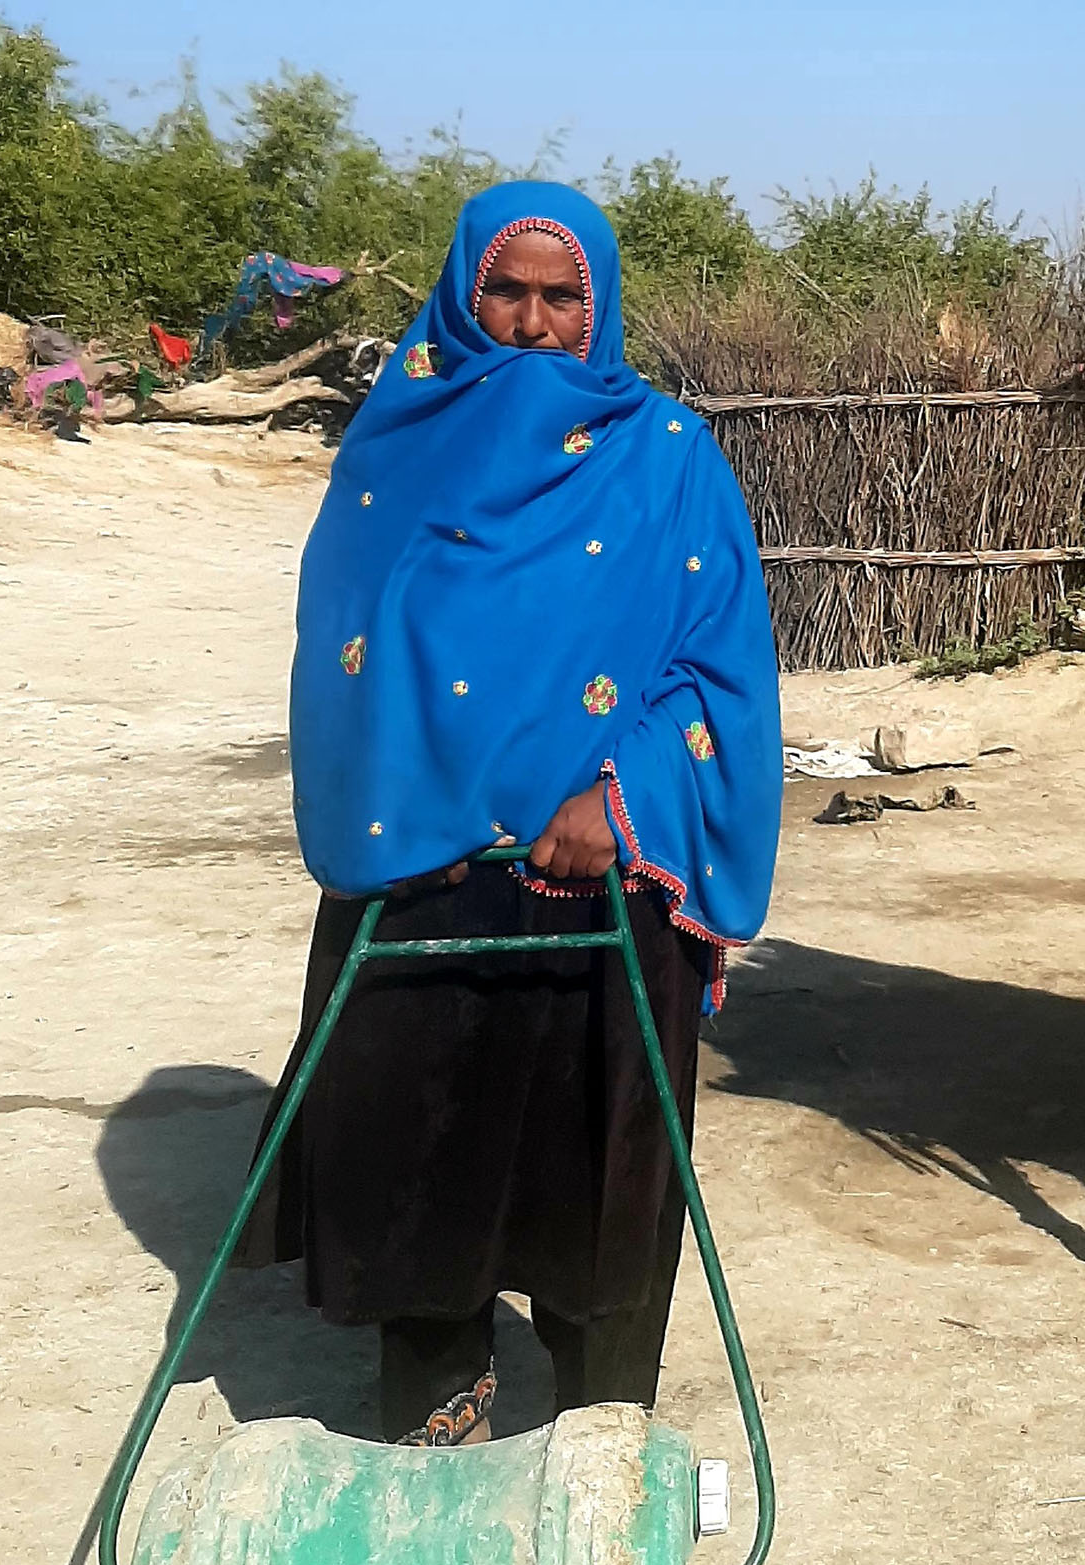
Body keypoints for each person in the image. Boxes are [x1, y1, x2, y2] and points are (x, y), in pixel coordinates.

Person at [254, 182, 781, 1446]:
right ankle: (438, 1414)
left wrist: (625, 793)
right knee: (417, 1168)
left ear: (597, 309)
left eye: (563, 296)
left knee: (597, 1177)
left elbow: (724, 671)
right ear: (461, 294)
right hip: (421, 879)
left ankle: (602, 1442)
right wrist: (412, 793)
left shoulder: (668, 458)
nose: (535, 321)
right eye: (509, 291)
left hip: (600, 885)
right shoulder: (393, 448)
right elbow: (344, 646)